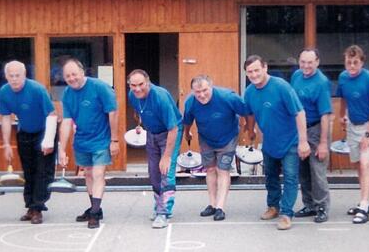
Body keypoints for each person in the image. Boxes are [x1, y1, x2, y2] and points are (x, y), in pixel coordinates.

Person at [242, 54, 311, 231]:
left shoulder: (281, 87)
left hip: (290, 141)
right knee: (270, 176)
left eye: (257, 70)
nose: (254, 74)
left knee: (290, 177)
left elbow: (300, 113)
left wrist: (303, 141)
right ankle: (273, 206)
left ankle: (286, 214)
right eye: (250, 72)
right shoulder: (249, 92)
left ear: (265, 68)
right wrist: (251, 129)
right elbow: (249, 112)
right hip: (270, 142)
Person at [58, 58, 118, 229]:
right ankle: (95, 208)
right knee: (88, 175)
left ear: (82, 72)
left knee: (98, 174)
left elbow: (113, 113)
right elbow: (67, 122)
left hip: (101, 139)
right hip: (82, 141)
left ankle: (94, 214)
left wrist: (114, 140)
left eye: (74, 74)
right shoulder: (68, 94)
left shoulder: (100, 87)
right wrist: (62, 149)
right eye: (67, 76)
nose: (71, 78)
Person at [0, 61, 58, 225]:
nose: (15, 79)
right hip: (24, 132)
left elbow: (52, 114)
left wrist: (48, 141)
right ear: (6, 77)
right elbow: (5, 118)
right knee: (28, 171)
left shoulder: (37, 89)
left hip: (44, 131)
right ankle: (30, 206)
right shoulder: (4, 92)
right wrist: (6, 144)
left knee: (42, 171)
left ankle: (38, 207)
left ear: (24, 75)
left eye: (18, 75)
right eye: (11, 76)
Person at [182, 75, 248, 222]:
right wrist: (187, 134)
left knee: (222, 170)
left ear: (211, 87)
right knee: (210, 169)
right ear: (193, 91)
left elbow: (246, 111)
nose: (201, 95)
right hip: (206, 138)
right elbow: (187, 121)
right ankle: (211, 204)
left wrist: (248, 128)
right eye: (197, 92)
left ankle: (220, 207)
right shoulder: (190, 102)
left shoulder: (228, 97)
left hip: (228, 137)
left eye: (205, 90)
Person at [335, 45, 369, 224]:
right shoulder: (343, 78)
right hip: (352, 125)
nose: (352, 66)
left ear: (362, 62)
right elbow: (343, 98)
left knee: (366, 164)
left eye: (355, 62)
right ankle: (366, 200)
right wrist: (342, 115)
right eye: (349, 62)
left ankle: (363, 206)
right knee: (358, 165)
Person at [127, 70, 182, 228]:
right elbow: (139, 112)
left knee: (166, 170)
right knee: (153, 171)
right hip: (152, 132)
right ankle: (158, 205)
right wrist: (139, 125)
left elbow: (173, 129)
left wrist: (167, 156)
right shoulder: (132, 95)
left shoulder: (160, 97)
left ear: (148, 82)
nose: (137, 88)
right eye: (133, 85)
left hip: (170, 132)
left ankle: (163, 212)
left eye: (140, 84)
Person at [290, 49, 333, 223]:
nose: (306, 66)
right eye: (303, 62)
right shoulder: (296, 76)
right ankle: (309, 205)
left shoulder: (322, 82)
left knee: (317, 171)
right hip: (300, 129)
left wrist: (323, 143)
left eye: (310, 62)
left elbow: (325, 115)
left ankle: (322, 207)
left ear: (317, 62)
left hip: (316, 129)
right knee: (303, 170)